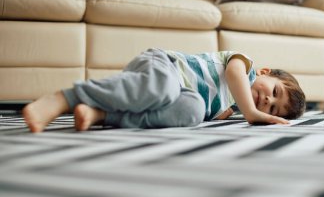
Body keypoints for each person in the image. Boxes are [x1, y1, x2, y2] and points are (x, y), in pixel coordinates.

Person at [23, 48, 306, 133]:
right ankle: (64, 98)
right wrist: (253, 112)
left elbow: (199, 113)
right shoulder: (244, 65)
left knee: (193, 110)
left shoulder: (229, 109)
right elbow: (233, 76)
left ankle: (101, 113)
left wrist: (231, 113)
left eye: (272, 108)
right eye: (275, 93)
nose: (267, 101)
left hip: (175, 93)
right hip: (163, 67)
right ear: (266, 73)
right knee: (163, 89)